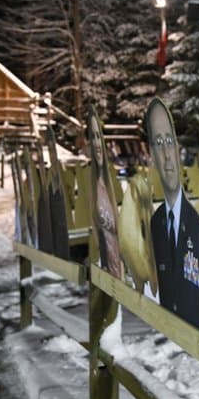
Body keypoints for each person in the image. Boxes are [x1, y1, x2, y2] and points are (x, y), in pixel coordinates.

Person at [146, 99, 199, 338]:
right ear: (151, 155)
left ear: (178, 149)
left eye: (169, 142)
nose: (167, 155)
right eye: (159, 144)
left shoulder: (196, 224)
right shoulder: (156, 223)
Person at [89, 114, 123, 279]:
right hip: (106, 267)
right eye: (92, 137)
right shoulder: (93, 188)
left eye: (98, 136)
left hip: (118, 263)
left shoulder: (108, 184)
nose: (97, 144)